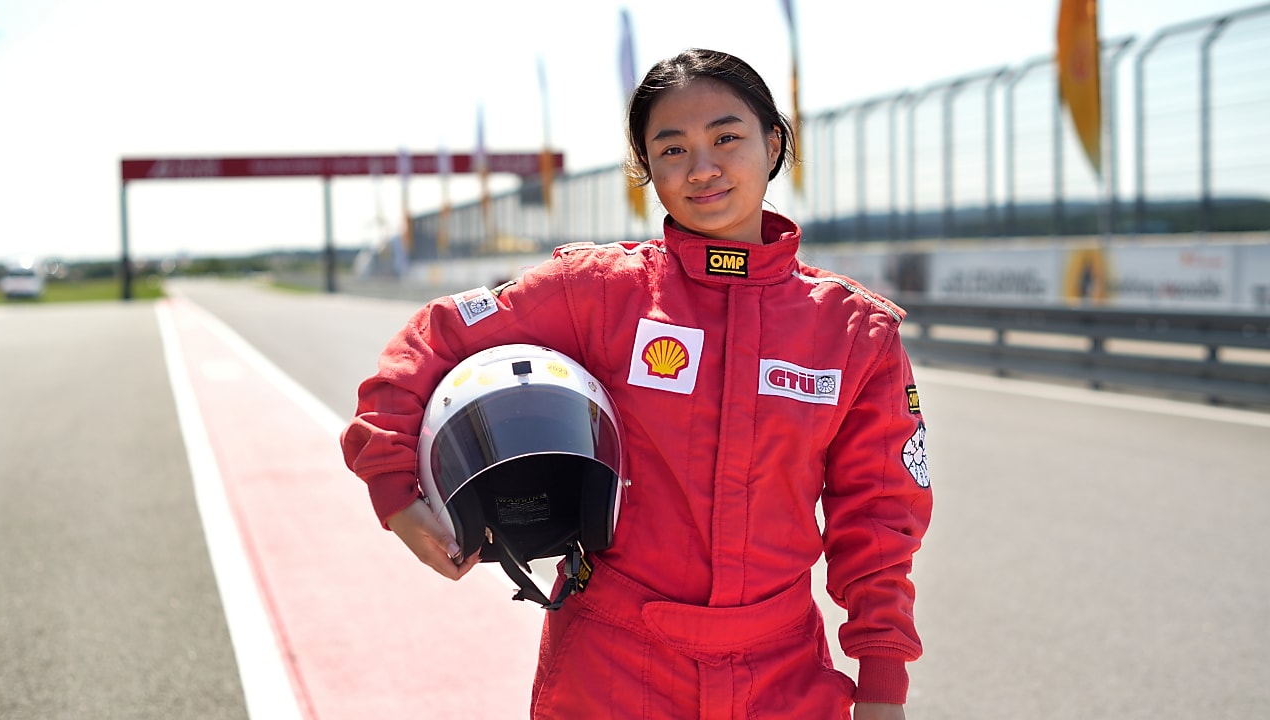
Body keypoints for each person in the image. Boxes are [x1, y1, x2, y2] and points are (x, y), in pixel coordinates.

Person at [341, 48, 932, 720]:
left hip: (783, 676)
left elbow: (879, 519)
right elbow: (434, 336)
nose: (702, 168)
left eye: (727, 138)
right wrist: (394, 490)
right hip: (612, 668)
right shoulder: (601, 291)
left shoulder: (853, 332)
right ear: (646, 169)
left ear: (773, 144)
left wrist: (882, 685)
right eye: (672, 148)